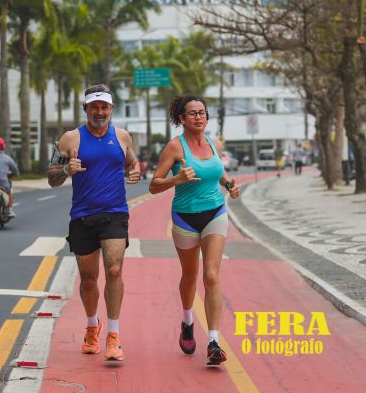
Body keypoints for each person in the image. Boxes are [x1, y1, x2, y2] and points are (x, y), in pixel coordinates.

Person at [46, 84, 140, 361]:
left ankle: (113, 334)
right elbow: (52, 178)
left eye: (104, 107)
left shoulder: (122, 137)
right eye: (94, 107)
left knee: (113, 270)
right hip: (83, 216)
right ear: (85, 109)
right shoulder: (70, 139)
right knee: (88, 279)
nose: (99, 112)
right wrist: (65, 169)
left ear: (111, 108)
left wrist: (134, 172)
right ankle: (91, 326)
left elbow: (132, 163)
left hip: (115, 214)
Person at [149, 95, 241, 366]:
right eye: (192, 113)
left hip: (215, 212)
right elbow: (153, 185)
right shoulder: (174, 148)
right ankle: (188, 319)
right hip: (186, 218)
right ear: (182, 119)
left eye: (202, 112)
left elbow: (219, 172)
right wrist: (177, 179)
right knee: (190, 275)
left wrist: (229, 185)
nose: (199, 117)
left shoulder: (214, 142)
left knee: (211, 275)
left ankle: (213, 340)